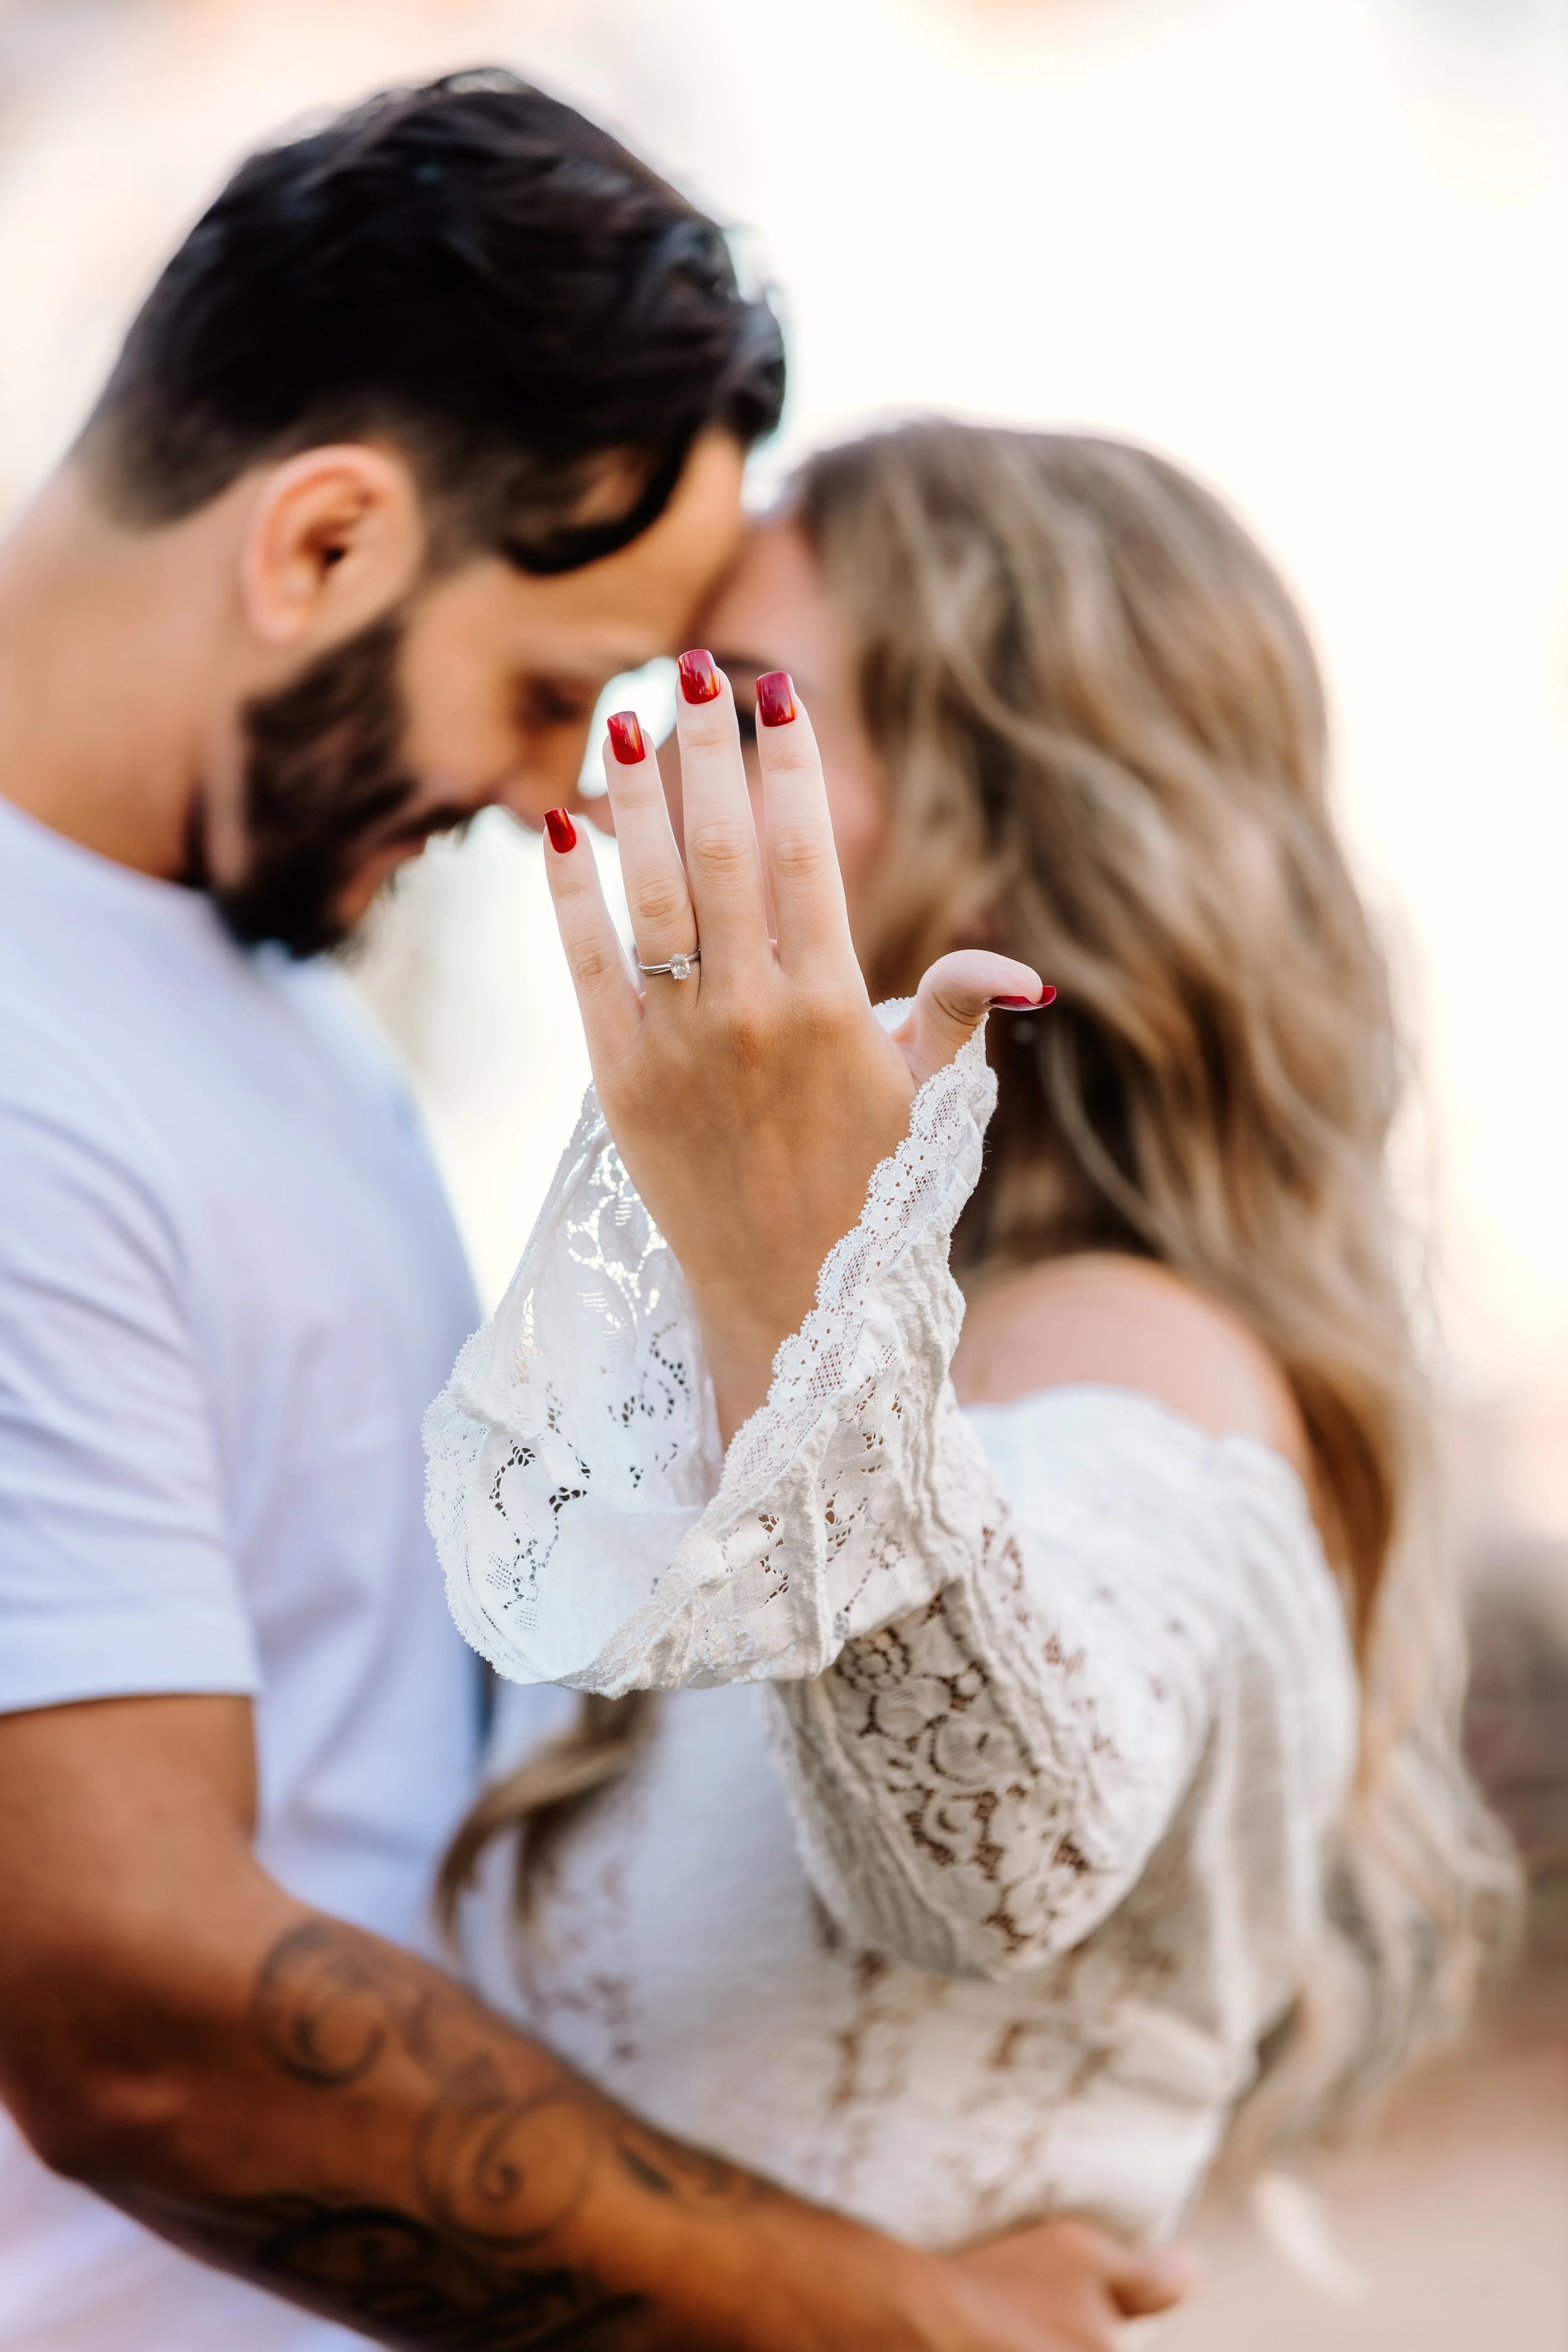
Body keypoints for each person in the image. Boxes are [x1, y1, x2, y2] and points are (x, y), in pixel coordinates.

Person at [0, 81, 1188, 2352]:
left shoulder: (256, 993)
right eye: (553, 695)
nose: (565, 793)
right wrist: (897, 2316)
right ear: (322, 546)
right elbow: (128, 2000)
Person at [430, 423, 1513, 2253]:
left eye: (748, 711)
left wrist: (804, 1274)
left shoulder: (1133, 1344)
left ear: (1016, 801)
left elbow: (995, 1856)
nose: (660, 788)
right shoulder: (766, 1371)